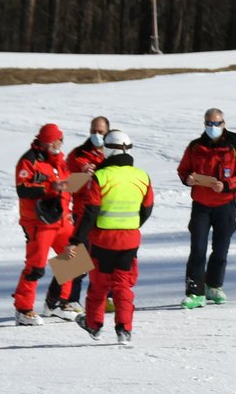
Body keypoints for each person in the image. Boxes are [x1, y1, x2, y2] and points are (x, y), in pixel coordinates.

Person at [71, 129, 154, 345]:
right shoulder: (142, 176)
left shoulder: (100, 176)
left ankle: (94, 324)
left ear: (107, 149)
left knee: (98, 284)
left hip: (102, 240)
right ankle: (124, 329)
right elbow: (147, 208)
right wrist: (131, 225)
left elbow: (90, 212)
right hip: (129, 240)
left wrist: (77, 240)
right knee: (122, 285)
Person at [176, 107, 236, 309]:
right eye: (209, 123)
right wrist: (188, 179)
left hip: (225, 206)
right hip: (201, 206)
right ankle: (194, 292)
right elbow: (183, 169)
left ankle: (213, 286)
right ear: (204, 124)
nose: (213, 127)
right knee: (198, 249)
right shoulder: (195, 147)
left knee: (220, 249)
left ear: (223, 124)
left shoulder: (235, 148)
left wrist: (226, 185)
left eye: (216, 123)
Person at [47, 115, 111, 316]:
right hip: (82, 211)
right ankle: (61, 299)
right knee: (76, 257)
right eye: (93, 131)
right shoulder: (78, 154)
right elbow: (67, 183)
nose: (96, 135)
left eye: (100, 132)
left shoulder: (112, 153)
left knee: (104, 257)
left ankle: (106, 297)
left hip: (106, 213)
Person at [12, 123, 73, 326]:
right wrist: (49, 187)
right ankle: (23, 309)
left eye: (61, 140)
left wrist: (69, 211)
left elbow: (66, 188)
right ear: (48, 141)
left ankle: (57, 303)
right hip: (38, 222)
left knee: (74, 257)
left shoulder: (60, 161)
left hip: (62, 219)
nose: (61, 144)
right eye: (58, 140)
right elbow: (23, 190)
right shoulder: (29, 160)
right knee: (35, 267)